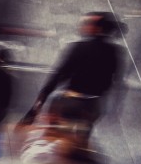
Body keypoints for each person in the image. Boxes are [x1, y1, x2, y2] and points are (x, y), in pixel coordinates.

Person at [22, 11, 123, 145]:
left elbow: (58, 76)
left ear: (97, 28)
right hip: (94, 107)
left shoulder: (79, 47)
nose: (82, 26)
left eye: (86, 23)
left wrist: (37, 105)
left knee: (53, 136)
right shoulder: (115, 52)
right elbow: (115, 82)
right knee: (80, 139)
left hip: (70, 103)